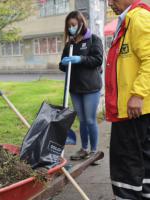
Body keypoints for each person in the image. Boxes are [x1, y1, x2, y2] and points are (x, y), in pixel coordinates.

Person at [105, 0, 150, 199]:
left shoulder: (138, 18)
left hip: (132, 109)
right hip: (134, 109)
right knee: (142, 160)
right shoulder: (128, 20)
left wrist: (137, 94)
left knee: (126, 161)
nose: (110, 3)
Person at [59, 11, 103, 160]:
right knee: (82, 120)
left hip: (91, 88)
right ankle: (84, 149)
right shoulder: (69, 44)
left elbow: (97, 60)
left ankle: (94, 151)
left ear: (81, 24)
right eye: (69, 25)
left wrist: (80, 59)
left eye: (73, 25)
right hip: (74, 88)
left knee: (90, 120)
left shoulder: (93, 40)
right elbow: (62, 65)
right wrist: (63, 63)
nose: (71, 28)